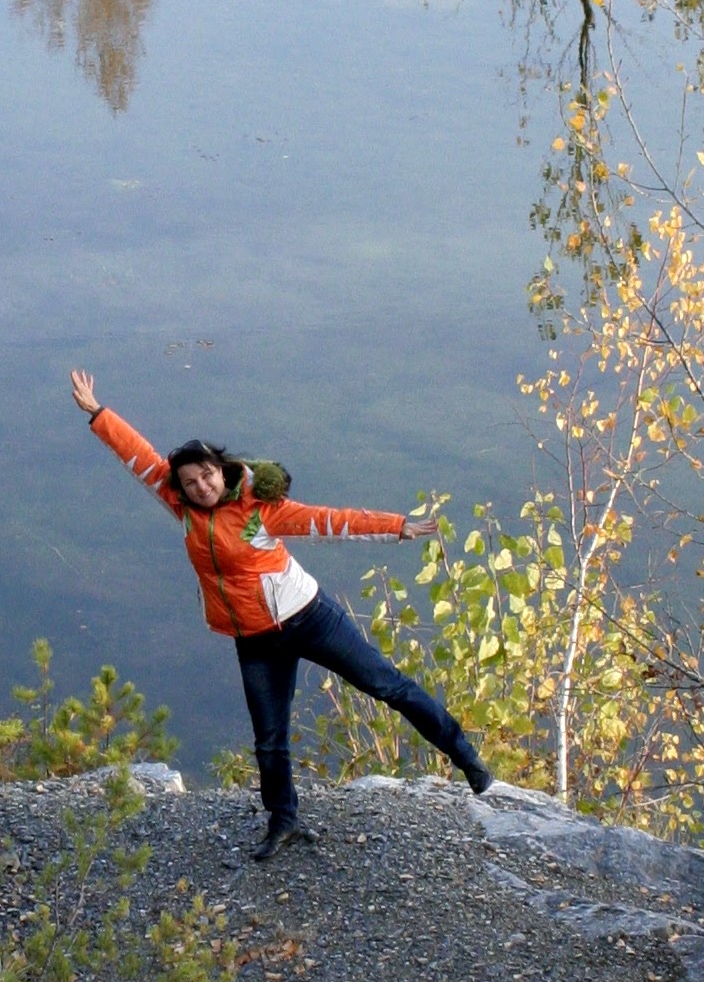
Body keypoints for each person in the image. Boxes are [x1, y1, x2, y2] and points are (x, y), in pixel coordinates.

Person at [69, 368, 493, 861]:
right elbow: (139, 457)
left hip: (309, 618)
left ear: (222, 469)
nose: (202, 486)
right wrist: (98, 413)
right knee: (269, 739)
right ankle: (283, 821)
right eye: (191, 482)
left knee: (387, 686)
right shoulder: (182, 508)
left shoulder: (260, 510)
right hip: (254, 639)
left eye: (207, 475)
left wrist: (398, 526)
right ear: (180, 488)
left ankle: (467, 758)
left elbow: (330, 520)